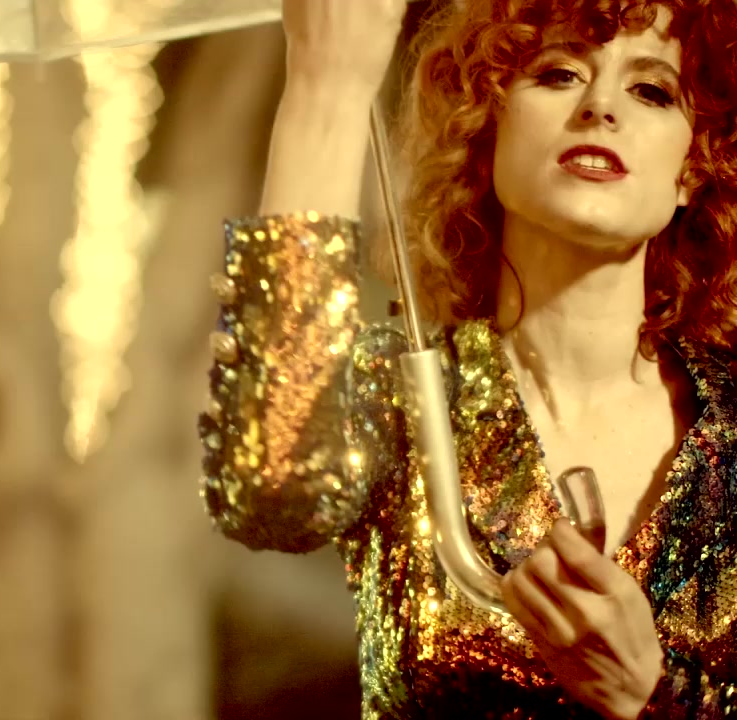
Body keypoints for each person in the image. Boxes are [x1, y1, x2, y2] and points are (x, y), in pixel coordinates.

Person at [198, 0, 737, 717]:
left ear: (693, 170)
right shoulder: (403, 391)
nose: (601, 107)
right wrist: (325, 88)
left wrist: (654, 695)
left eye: (650, 90)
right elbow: (271, 491)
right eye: (558, 74)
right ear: (488, 131)